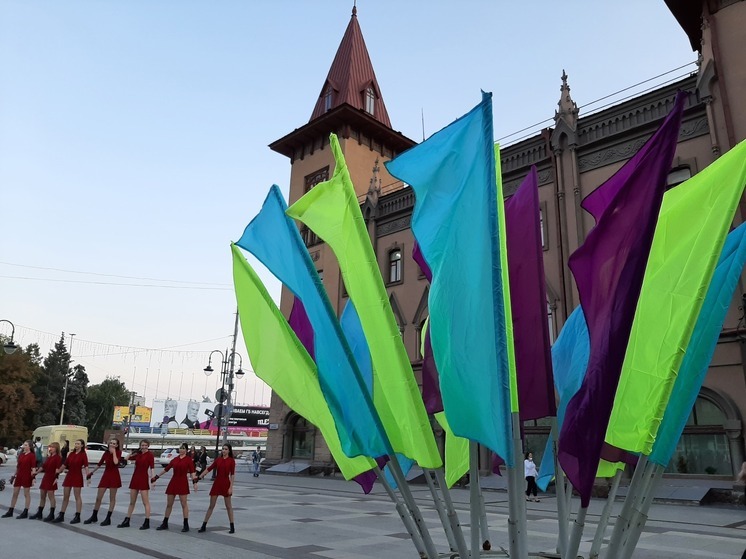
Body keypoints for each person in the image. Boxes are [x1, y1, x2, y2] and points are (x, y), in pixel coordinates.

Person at [151, 442, 197, 532]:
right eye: (180, 448)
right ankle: (165, 523)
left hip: (183, 482)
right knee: (169, 504)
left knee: (184, 504)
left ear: (186, 450)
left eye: (183, 448)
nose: (181, 450)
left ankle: (186, 524)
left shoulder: (188, 460)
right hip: (174, 481)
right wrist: (156, 477)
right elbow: (166, 469)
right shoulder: (175, 459)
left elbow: (192, 472)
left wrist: (194, 483)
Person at [196, 443, 236, 534]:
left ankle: (232, 526)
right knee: (211, 506)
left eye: (226, 449)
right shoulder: (218, 460)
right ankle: (204, 525)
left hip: (226, 483)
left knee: (228, 506)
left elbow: (232, 474)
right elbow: (209, 469)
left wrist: (231, 487)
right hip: (217, 483)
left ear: (229, 450)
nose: (224, 450)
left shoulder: (231, 461)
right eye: (223, 449)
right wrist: (199, 477)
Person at [117, 439, 155, 530]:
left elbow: (152, 468)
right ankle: (127, 520)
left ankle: (147, 521)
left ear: (148, 446)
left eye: (146, 445)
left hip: (143, 478)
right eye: (142, 445)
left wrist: (153, 480)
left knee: (145, 502)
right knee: (132, 501)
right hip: (135, 478)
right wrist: (133, 452)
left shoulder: (150, 455)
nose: (144, 447)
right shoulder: (138, 454)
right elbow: (126, 458)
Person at [84, 437, 122, 526]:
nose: (112, 445)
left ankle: (108, 518)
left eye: (114, 443)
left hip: (114, 476)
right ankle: (94, 516)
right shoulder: (105, 453)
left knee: (112, 498)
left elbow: (116, 462)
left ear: (117, 445)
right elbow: (99, 463)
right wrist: (91, 473)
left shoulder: (118, 452)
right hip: (106, 475)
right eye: (111, 443)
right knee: (98, 497)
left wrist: (114, 453)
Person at [54, 438, 90, 524]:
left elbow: (86, 466)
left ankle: (77, 515)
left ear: (82, 445)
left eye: (78, 444)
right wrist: (58, 471)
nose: (76, 445)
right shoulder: (71, 454)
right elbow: (65, 464)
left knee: (77, 496)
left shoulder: (83, 455)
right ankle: (61, 514)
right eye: (76, 443)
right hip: (69, 475)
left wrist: (88, 476)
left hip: (77, 475)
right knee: (65, 496)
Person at [1, 440, 37, 519]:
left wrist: (33, 478)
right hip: (19, 475)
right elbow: (18, 466)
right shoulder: (21, 455)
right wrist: (14, 475)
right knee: (15, 493)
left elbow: (33, 467)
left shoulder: (32, 455)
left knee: (26, 494)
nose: (24, 446)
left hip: (27, 475)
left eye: (26, 445)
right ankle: (11, 510)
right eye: (24, 445)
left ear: (29, 447)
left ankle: (26, 511)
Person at [29, 442, 63, 521]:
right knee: (42, 495)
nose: (50, 448)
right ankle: (39, 512)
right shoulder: (49, 457)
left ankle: (52, 513)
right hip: (46, 477)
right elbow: (43, 466)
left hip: (52, 477)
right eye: (50, 447)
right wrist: (36, 473)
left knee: (51, 496)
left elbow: (58, 469)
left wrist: (56, 477)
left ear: (56, 448)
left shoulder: (57, 457)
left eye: (52, 447)